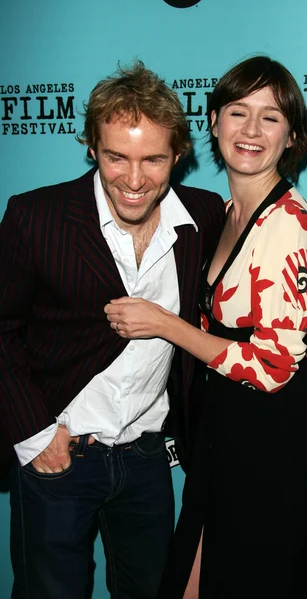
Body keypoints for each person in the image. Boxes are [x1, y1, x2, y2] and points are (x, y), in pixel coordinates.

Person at [104, 56, 307, 598]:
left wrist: (164, 324)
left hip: (275, 445)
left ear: (292, 135)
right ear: (213, 122)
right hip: (226, 436)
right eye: (238, 112)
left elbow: (275, 368)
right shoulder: (226, 210)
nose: (252, 130)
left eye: (271, 117)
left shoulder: (289, 222)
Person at [0, 60, 226, 599]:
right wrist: (35, 436)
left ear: (179, 154)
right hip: (59, 452)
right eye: (115, 157)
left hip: (148, 460)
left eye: (153, 159)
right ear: (91, 148)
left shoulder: (204, 215)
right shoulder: (37, 217)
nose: (133, 179)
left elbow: (237, 297)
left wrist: (295, 335)